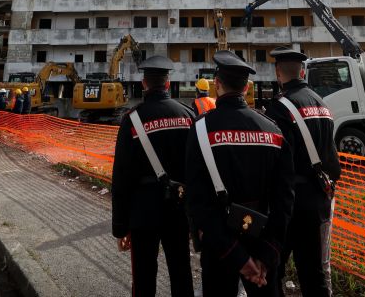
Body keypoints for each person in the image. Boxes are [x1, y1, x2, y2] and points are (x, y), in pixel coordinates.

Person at [185, 51, 295, 296]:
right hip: (262, 242)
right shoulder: (273, 131)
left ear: (216, 84)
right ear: (246, 87)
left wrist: (236, 256)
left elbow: (196, 201)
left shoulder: (200, 129)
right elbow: (285, 199)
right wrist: (268, 253)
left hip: (219, 247)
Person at [112, 55, 195, 297]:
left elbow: (121, 178)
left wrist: (120, 227)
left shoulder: (132, 120)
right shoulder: (188, 116)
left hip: (143, 212)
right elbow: (197, 169)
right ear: (168, 83)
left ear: (144, 84)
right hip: (179, 209)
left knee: (144, 277)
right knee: (181, 272)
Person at [265, 47, 341, 297]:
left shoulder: (280, 107)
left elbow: (277, 161)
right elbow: (332, 158)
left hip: (290, 202)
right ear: (302, 72)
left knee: (273, 269)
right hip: (319, 198)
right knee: (314, 273)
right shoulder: (322, 104)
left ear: (278, 73)